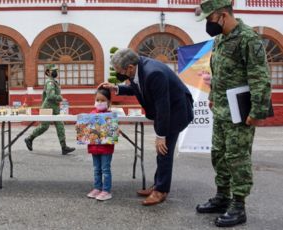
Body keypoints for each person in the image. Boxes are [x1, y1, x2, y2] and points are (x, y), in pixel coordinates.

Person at [195, 0, 272, 227]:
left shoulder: (248, 39)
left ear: (222, 16)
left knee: (237, 158)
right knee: (218, 154)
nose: (208, 24)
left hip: (240, 112)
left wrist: (257, 111)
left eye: (209, 19)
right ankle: (222, 197)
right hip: (220, 109)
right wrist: (211, 97)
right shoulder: (219, 39)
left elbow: (260, 78)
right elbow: (217, 72)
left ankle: (238, 205)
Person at [99, 48, 194, 206]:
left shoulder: (153, 73)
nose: (118, 74)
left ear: (129, 67)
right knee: (161, 152)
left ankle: (161, 191)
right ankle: (159, 184)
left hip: (176, 112)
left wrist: (160, 136)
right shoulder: (139, 68)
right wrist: (116, 88)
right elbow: (138, 88)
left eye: (119, 71)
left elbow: (163, 106)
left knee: (164, 151)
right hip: (165, 111)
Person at [24, 64, 75, 155]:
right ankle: (29, 138)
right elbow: (50, 96)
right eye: (53, 70)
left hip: (54, 108)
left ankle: (64, 147)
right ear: (48, 72)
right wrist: (60, 98)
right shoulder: (50, 82)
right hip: (47, 107)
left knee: (60, 126)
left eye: (56, 70)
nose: (56, 72)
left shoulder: (54, 82)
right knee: (44, 126)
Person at [86, 87, 115, 201]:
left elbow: (112, 133)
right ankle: (97, 188)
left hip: (106, 148)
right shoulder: (91, 114)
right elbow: (86, 131)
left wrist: (114, 128)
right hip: (94, 147)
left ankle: (106, 190)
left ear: (108, 102)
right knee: (96, 169)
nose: (99, 102)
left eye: (102, 100)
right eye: (97, 100)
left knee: (105, 169)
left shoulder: (110, 115)